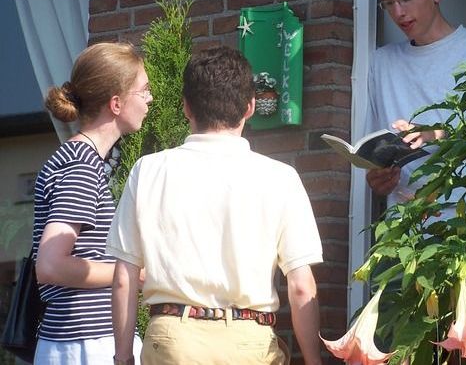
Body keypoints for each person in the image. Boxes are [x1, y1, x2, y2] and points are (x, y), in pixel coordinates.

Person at [108, 46, 324, 365]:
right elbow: (302, 287)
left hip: (172, 341)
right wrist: (313, 360)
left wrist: (123, 357)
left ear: (186, 107)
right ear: (250, 107)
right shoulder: (281, 178)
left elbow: (125, 276)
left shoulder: (148, 170)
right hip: (251, 344)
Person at [32, 42, 151, 364]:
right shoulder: (80, 165)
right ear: (116, 103)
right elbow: (51, 265)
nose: (149, 100)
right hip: (86, 343)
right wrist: (131, 275)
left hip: (80, 340)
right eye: (143, 91)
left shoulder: (78, 159)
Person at [366, 0, 466, 207]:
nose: (398, 13)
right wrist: (378, 179)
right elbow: (372, 160)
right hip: (404, 234)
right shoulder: (381, 64)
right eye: (388, 3)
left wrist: (438, 134)